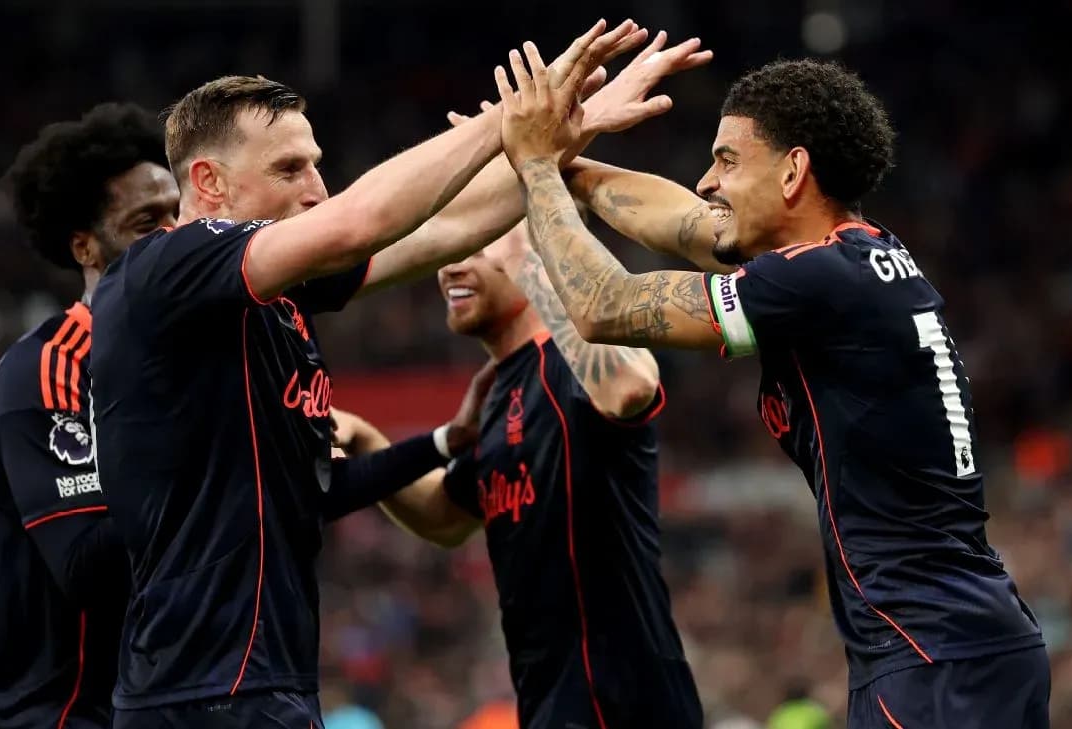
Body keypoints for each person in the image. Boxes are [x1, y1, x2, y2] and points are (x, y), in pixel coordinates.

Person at [88, 19, 707, 727]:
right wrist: (511, 117)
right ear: (209, 183)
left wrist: (556, 139)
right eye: (291, 169)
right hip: (202, 691)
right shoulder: (170, 265)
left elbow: (440, 229)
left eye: (316, 165)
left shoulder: (277, 293)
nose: (317, 188)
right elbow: (361, 221)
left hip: (256, 680)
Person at [495, 53, 1050, 728]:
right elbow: (689, 225)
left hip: (931, 654)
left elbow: (606, 305)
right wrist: (567, 166)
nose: (707, 180)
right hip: (965, 642)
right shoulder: (857, 257)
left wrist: (534, 168)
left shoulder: (818, 281)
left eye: (728, 161)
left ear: (792, 171)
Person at [332, 220, 702, 729]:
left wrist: (531, 259)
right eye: (450, 249)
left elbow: (632, 385)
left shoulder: (569, 360)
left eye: (479, 246)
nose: (452, 266)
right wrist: (367, 440)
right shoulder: (498, 392)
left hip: (622, 701)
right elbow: (445, 517)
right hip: (551, 701)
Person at [0, 102, 180, 728]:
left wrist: (436, 444)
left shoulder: (178, 360)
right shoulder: (50, 371)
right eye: (145, 222)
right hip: (43, 716)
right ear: (85, 246)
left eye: (175, 214)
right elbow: (87, 567)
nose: (171, 235)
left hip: (135, 708)